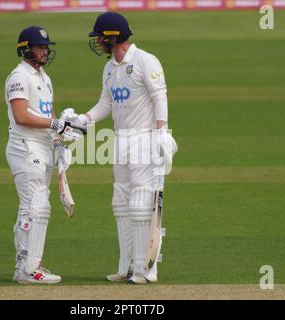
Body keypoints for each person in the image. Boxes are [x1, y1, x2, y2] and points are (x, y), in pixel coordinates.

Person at [62, 12, 177, 284]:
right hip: (120, 140)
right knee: (121, 204)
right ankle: (125, 267)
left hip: (144, 139)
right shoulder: (110, 68)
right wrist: (84, 119)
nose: (97, 42)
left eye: (100, 38)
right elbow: (106, 103)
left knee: (140, 205)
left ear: (112, 37)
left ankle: (144, 269)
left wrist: (162, 131)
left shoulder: (145, 60)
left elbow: (159, 97)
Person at [5, 26, 82, 284]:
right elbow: (21, 115)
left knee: (37, 207)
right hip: (25, 147)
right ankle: (28, 270)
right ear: (26, 49)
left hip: (42, 147)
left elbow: (47, 115)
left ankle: (25, 266)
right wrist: (53, 126)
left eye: (46, 47)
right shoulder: (19, 77)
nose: (45, 51)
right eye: (40, 47)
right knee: (35, 207)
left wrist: (58, 141)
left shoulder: (44, 77)